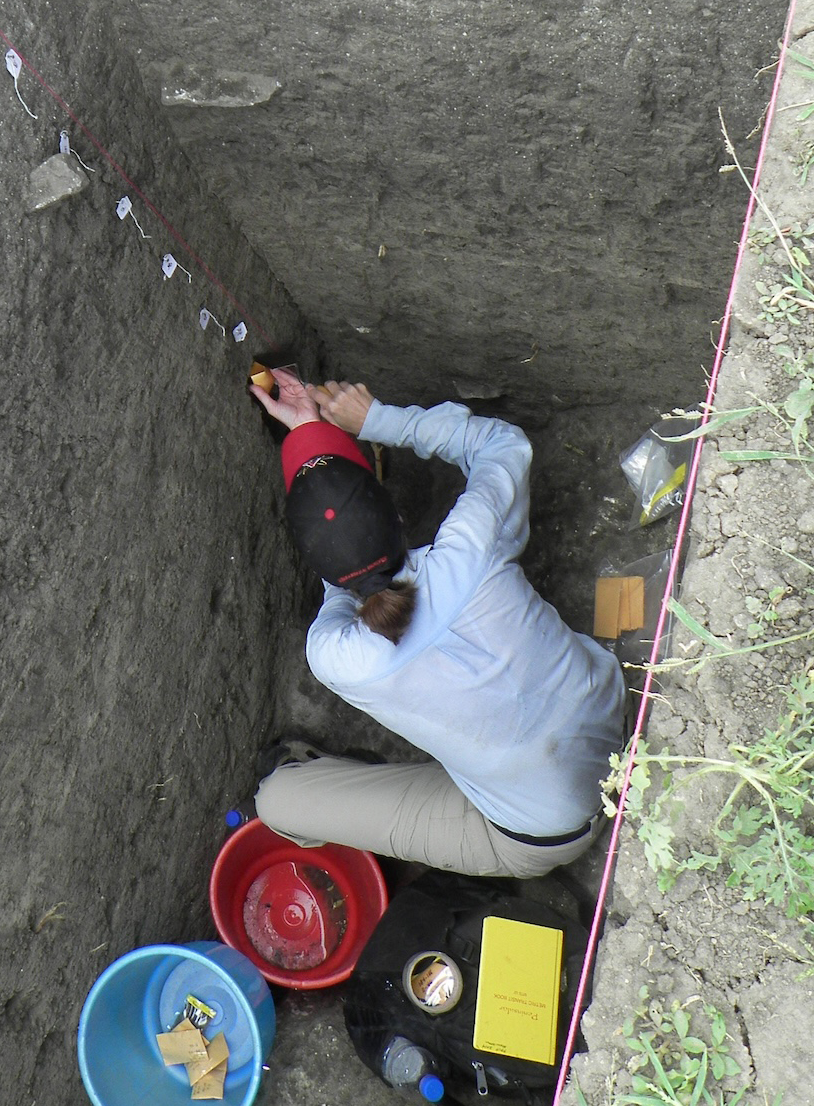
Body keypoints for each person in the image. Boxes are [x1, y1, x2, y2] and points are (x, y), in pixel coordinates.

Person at [250, 371, 627, 878]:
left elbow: (343, 590)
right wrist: (374, 419)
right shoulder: (471, 550)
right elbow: (502, 444)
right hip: (622, 729)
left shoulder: (338, 658)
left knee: (277, 799)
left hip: (545, 833)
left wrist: (309, 453)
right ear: (394, 515)